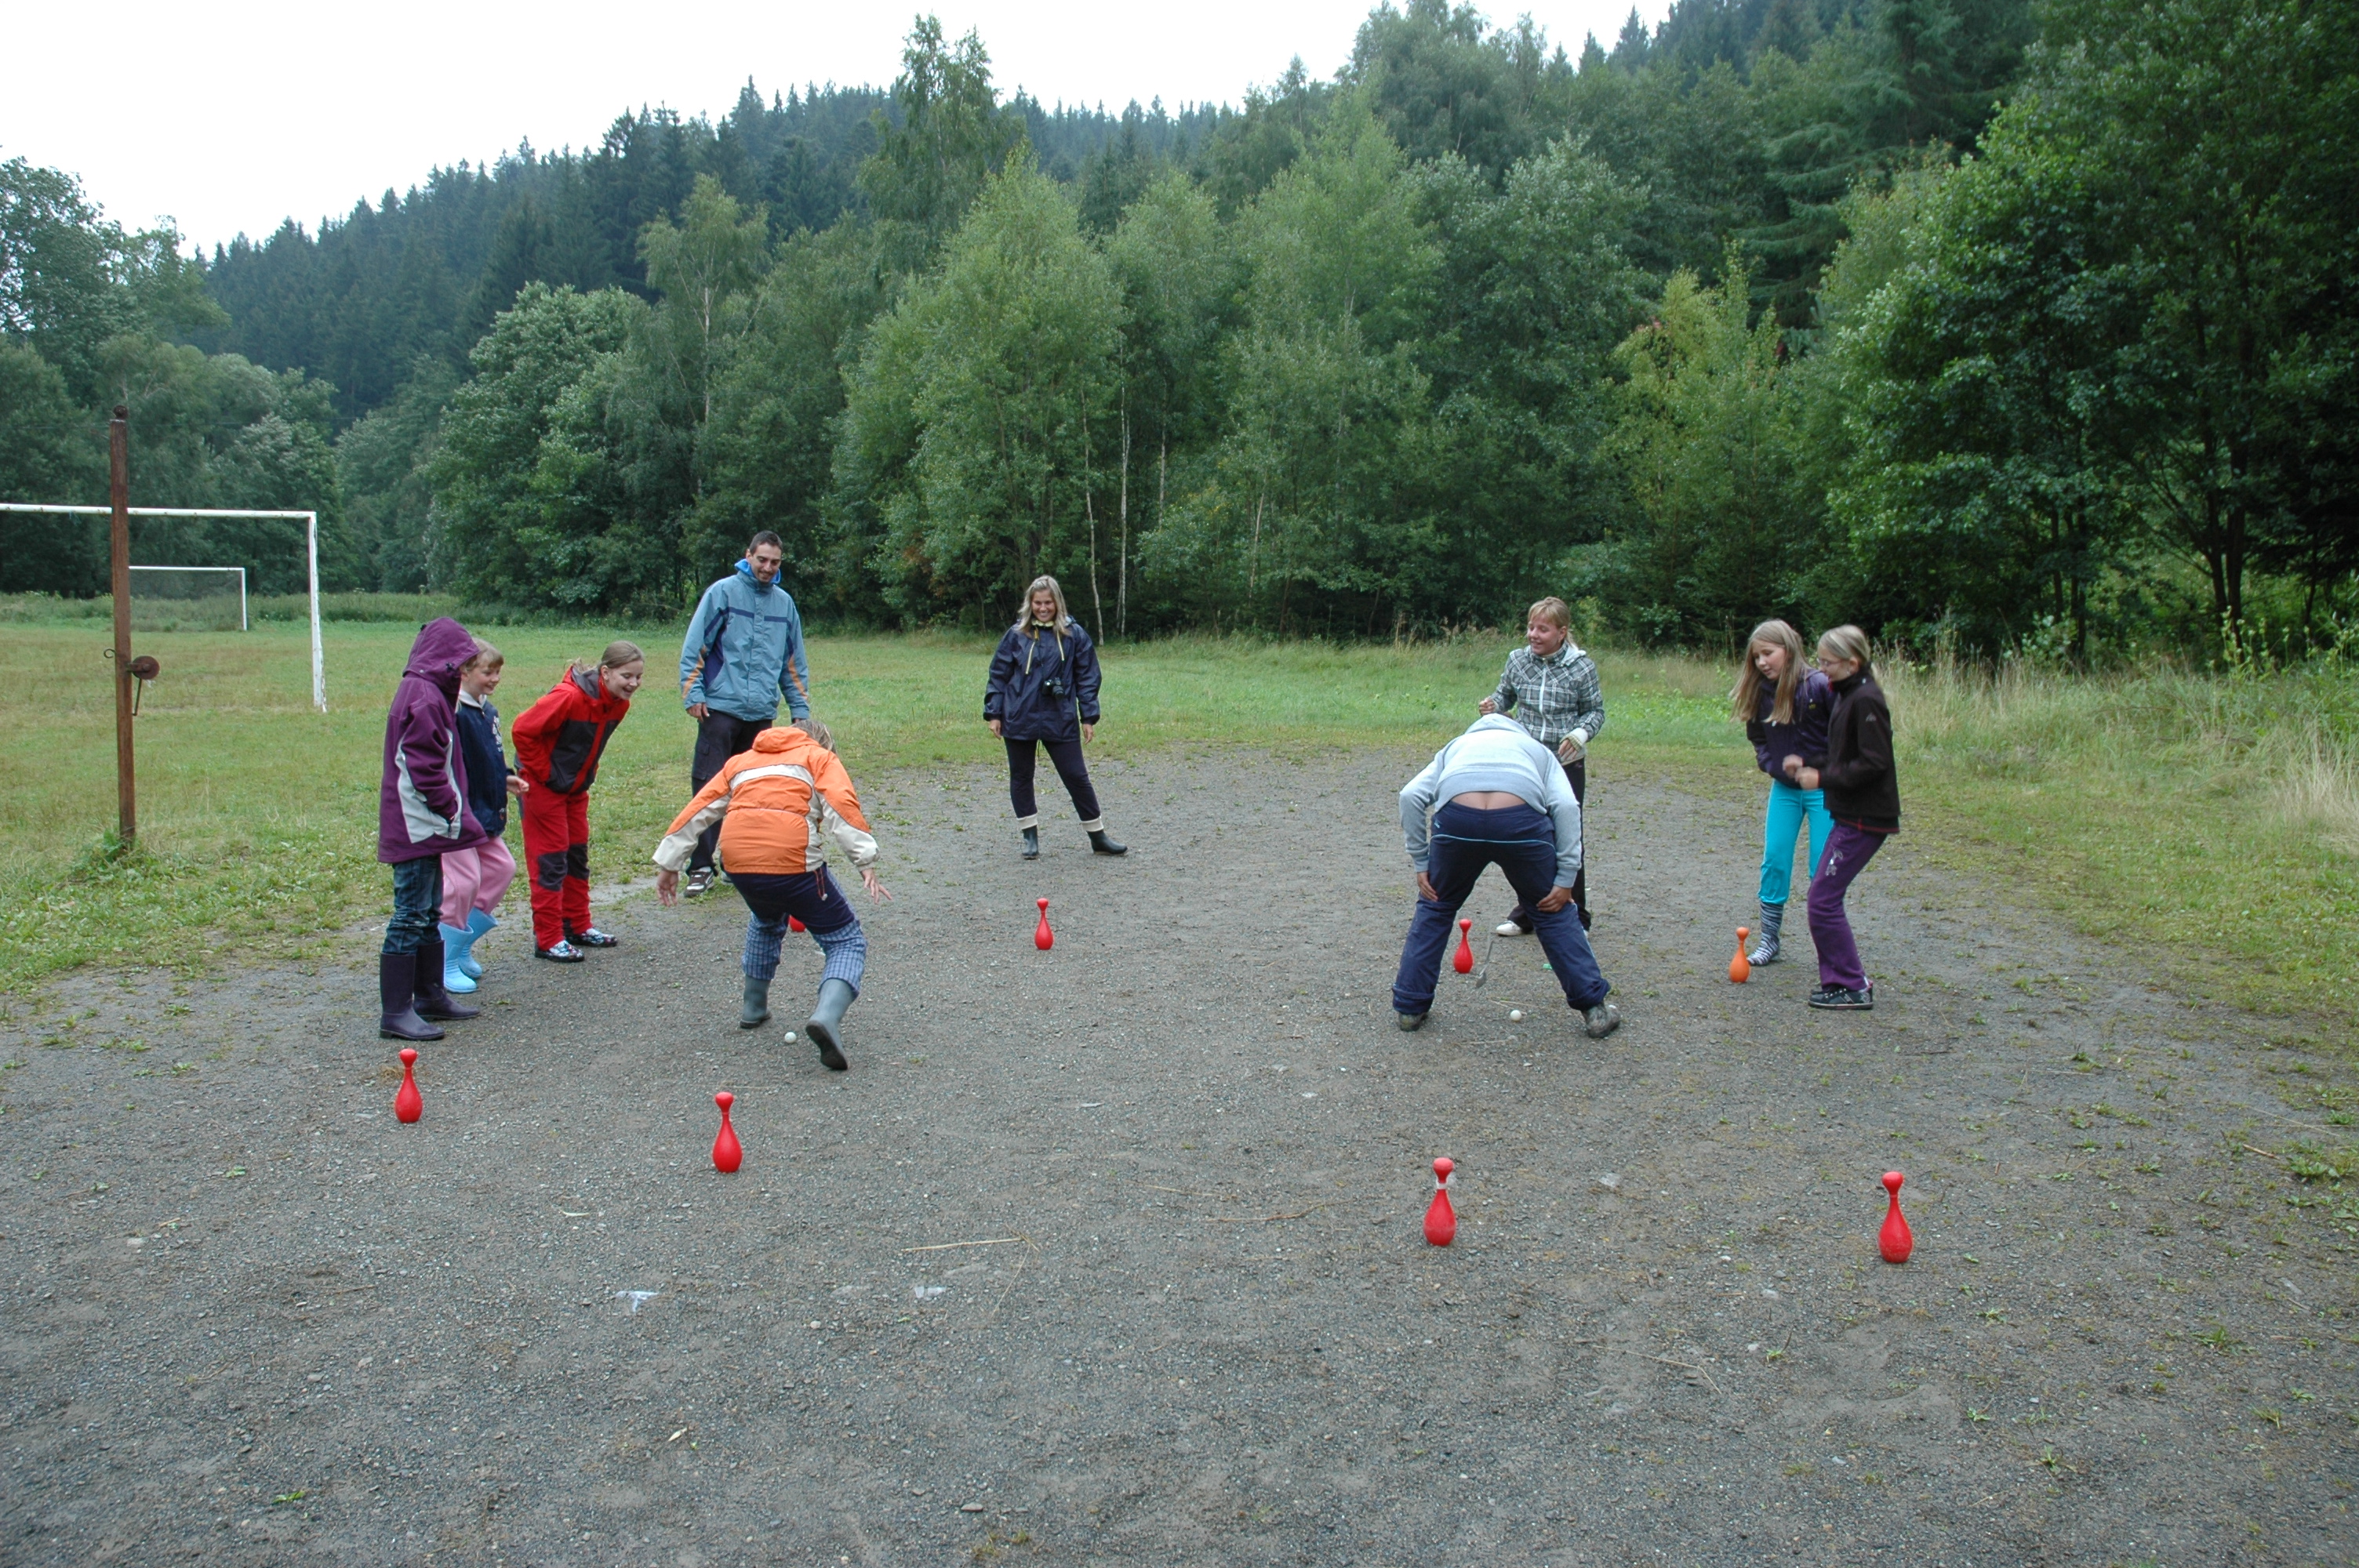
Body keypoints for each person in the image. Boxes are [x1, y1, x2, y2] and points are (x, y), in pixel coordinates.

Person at [652, 718, 891, 1070]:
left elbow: (700, 807)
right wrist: (865, 861)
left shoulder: (741, 762)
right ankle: (826, 1017)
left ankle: (754, 1007)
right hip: (793, 862)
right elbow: (840, 803)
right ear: (823, 741)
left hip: (739, 863)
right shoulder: (818, 758)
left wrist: (670, 861)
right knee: (845, 940)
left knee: (766, 919)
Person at [1393, 713, 1619, 1039]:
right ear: (1518, 731)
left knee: (1436, 906)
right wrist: (1566, 878)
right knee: (1552, 910)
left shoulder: (1457, 746)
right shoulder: (1536, 750)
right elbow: (1567, 806)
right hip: (1520, 824)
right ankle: (1595, 1011)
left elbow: (1410, 796)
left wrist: (1421, 861)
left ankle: (1409, 1009)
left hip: (1458, 823)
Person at [677, 530, 811, 899]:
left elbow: (793, 662)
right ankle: (700, 867)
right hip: (719, 709)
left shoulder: (785, 605)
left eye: (775, 562)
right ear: (748, 555)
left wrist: (799, 710)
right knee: (709, 788)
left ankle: (738, 864)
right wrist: (693, 693)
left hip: (761, 715)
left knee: (753, 792)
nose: (768, 567)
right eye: (762, 559)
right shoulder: (722, 593)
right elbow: (696, 646)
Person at [375, 616, 487, 1041]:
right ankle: (396, 1012)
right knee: (410, 914)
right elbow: (423, 766)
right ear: (446, 661)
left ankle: (429, 995)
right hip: (416, 824)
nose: (464, 671)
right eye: (462, 664)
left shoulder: (428, 692)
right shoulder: (423, 697)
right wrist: (449, 808)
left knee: (428, 913)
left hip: (427, 824)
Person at [1782, 625, 1898, 1010]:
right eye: (1820, 660)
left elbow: (1874, 763)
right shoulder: (1847, 694)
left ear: (1853, 662)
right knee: (1822, 897)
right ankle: (1839, 982)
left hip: (1866, 817)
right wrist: (1810, 762)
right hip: (1847, 814)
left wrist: (1822, 778)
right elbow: (1843, 753)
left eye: (1828, 662)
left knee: (1823, 901)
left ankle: (1852, 985)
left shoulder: (1866, 700)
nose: (1822, 669)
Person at [511, 641, 644, 962]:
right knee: (550, 860)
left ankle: (577, 925)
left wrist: (583, 775)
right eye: (627, 676)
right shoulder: (568, 697)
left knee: (576, 855)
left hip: (573, 789)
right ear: (605, 672)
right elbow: (522, 731)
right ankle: (548, 938)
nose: (633, 684)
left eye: (639, 677)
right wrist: (545, 774)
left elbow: (590, 745)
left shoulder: (618, 705)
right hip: (542, 787)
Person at [1478, 596, 1603, 935]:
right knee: (1525, 834)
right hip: (1526, 761)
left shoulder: (1581, 667)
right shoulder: (1518, 660)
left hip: (1565, 764)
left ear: (1562, 633)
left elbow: (1595, 712)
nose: (1533, 635)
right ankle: (1528, 914)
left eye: (1543, 629)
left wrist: (1579, 734)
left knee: (1566, 834)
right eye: (1531, 627)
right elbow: (1504, 696)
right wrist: (1492, 705)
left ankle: (1576, 916)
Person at [984, 575, 1128, 860]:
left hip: (1060, 716)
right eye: (1038, 603)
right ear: (1030, 604)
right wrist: (994, 713)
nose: (1043, 608)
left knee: (1076, 776)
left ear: (1057, 603)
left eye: (1048, 602)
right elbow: (998, 674)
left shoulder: (1075, 635)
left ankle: (1098, 836)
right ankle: (1030, 837)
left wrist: (1088, 717)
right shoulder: (1016, 635)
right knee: (1021, 776)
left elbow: (1088, 677)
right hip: (1019, 716)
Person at [1733, 619, 1834, 967]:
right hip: (1785, 790)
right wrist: (1772, 764)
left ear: (1788, 650)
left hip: (1823, 791)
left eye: (1768, 653)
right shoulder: (1761, 692)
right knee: (1775, 860)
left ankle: (1829, 948)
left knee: (1822, 868)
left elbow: (1842, 736)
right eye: (1756, 657)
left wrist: (1816, 767)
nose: (1762, 662)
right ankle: (1770, 940)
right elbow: (1758, 738)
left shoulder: (1819, 686)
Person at [434, 639, 528, 993]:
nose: (495, 679)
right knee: (463, 882)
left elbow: (489, 757)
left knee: (502, 868)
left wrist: (504, 778)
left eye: (498, 672)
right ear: (464, 672)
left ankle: (460, 946)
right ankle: (441, 959)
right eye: (488, 672)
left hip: (485, 811)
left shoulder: (488, 711)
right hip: (459, 812)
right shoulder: (454, 712)